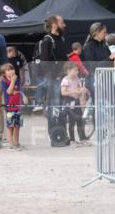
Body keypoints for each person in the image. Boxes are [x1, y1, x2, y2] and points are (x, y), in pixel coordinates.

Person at [36, 14, 71, 143]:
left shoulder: (61, 39)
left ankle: (63, 135)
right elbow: (45, 63)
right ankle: (55, 137)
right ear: (55, 24)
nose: (65, 25)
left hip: (63, 79)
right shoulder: (47, 40)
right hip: (53, 80)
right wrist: (54, 76)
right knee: (54, 108)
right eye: (62, 22)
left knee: (63, 108)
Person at [60, 61, 91, 146]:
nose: (77, 72)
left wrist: (85, 90)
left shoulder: (77, 79)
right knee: (72, 122)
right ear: (68, 71)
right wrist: (75, 91)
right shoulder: (65, 80)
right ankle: (72, 140)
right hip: (69, 102)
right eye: (75, 70)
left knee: (80, 120)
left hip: (76, 102)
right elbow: (63, 92)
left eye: (77, 70)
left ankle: (82, 139)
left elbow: (80, 88)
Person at [0, 63, 23, 150]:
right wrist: (13, 81)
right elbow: (9, 92)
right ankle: (11, 144)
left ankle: (16, 143)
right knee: (10, 126)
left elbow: (19, 91)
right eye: (8, 70)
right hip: (10, 108)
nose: (11, 71)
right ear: (4, 74)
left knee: (17, 126)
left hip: (18, 106)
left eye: (12, 69)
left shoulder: (17, 80)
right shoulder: (4, 82)